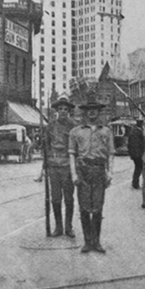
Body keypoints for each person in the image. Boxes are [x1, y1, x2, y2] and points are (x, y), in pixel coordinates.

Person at [69, 96, 115, 253]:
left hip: (99, 170)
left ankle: (97, 241)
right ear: (85, 112)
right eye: (89, 110)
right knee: (83, 208)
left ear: (99, 111)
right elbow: (72, 154)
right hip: (83, 170)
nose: (92, 112)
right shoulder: (75, 132)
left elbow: (111, 153)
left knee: (97, 207)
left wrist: (110, 172)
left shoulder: (106, 131)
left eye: (95, 109)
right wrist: (74, 174)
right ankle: (87, 242)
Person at [45, 96, 77, 238]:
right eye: (60, 109)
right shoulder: (50, 125)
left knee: (69, 198)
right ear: (56, 111)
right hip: (53, 166)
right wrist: (44, 165)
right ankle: (58, 227)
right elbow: (46, 146)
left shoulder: (73, 126)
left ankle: (68, 227)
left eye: (65, 109)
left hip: (68, 167)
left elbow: (77, 147)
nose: (63, 111)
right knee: (56, 198)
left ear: (69, 111)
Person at [128, 118, 145, 189]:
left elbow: (129, 144)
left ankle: (134, 182)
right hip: (138, 154)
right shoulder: (139, 132)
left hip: (134, 153)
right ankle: (135, 183)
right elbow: (142, 143)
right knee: (139, 168)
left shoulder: (132, 132)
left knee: (137, 167)